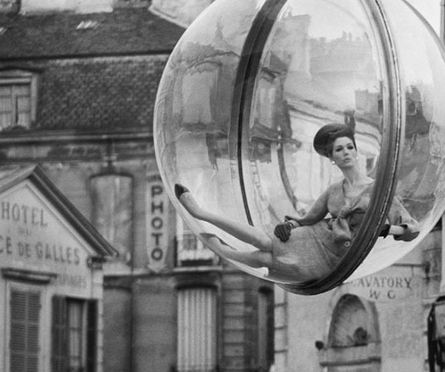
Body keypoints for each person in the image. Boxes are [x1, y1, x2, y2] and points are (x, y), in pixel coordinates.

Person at [175, 117, 418, 282]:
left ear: (357, 151)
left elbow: (412, 230)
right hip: (316, 237)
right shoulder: (334, 190)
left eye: (349, 147)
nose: (346, 153)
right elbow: (308, 219)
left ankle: (225, 251)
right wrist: (289, 225)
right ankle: (201, 213)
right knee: (264, 240)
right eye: (339, 150)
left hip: (337, 256)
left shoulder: (378, 191)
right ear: (332, 157)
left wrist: (386, 229)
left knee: (262, 258)